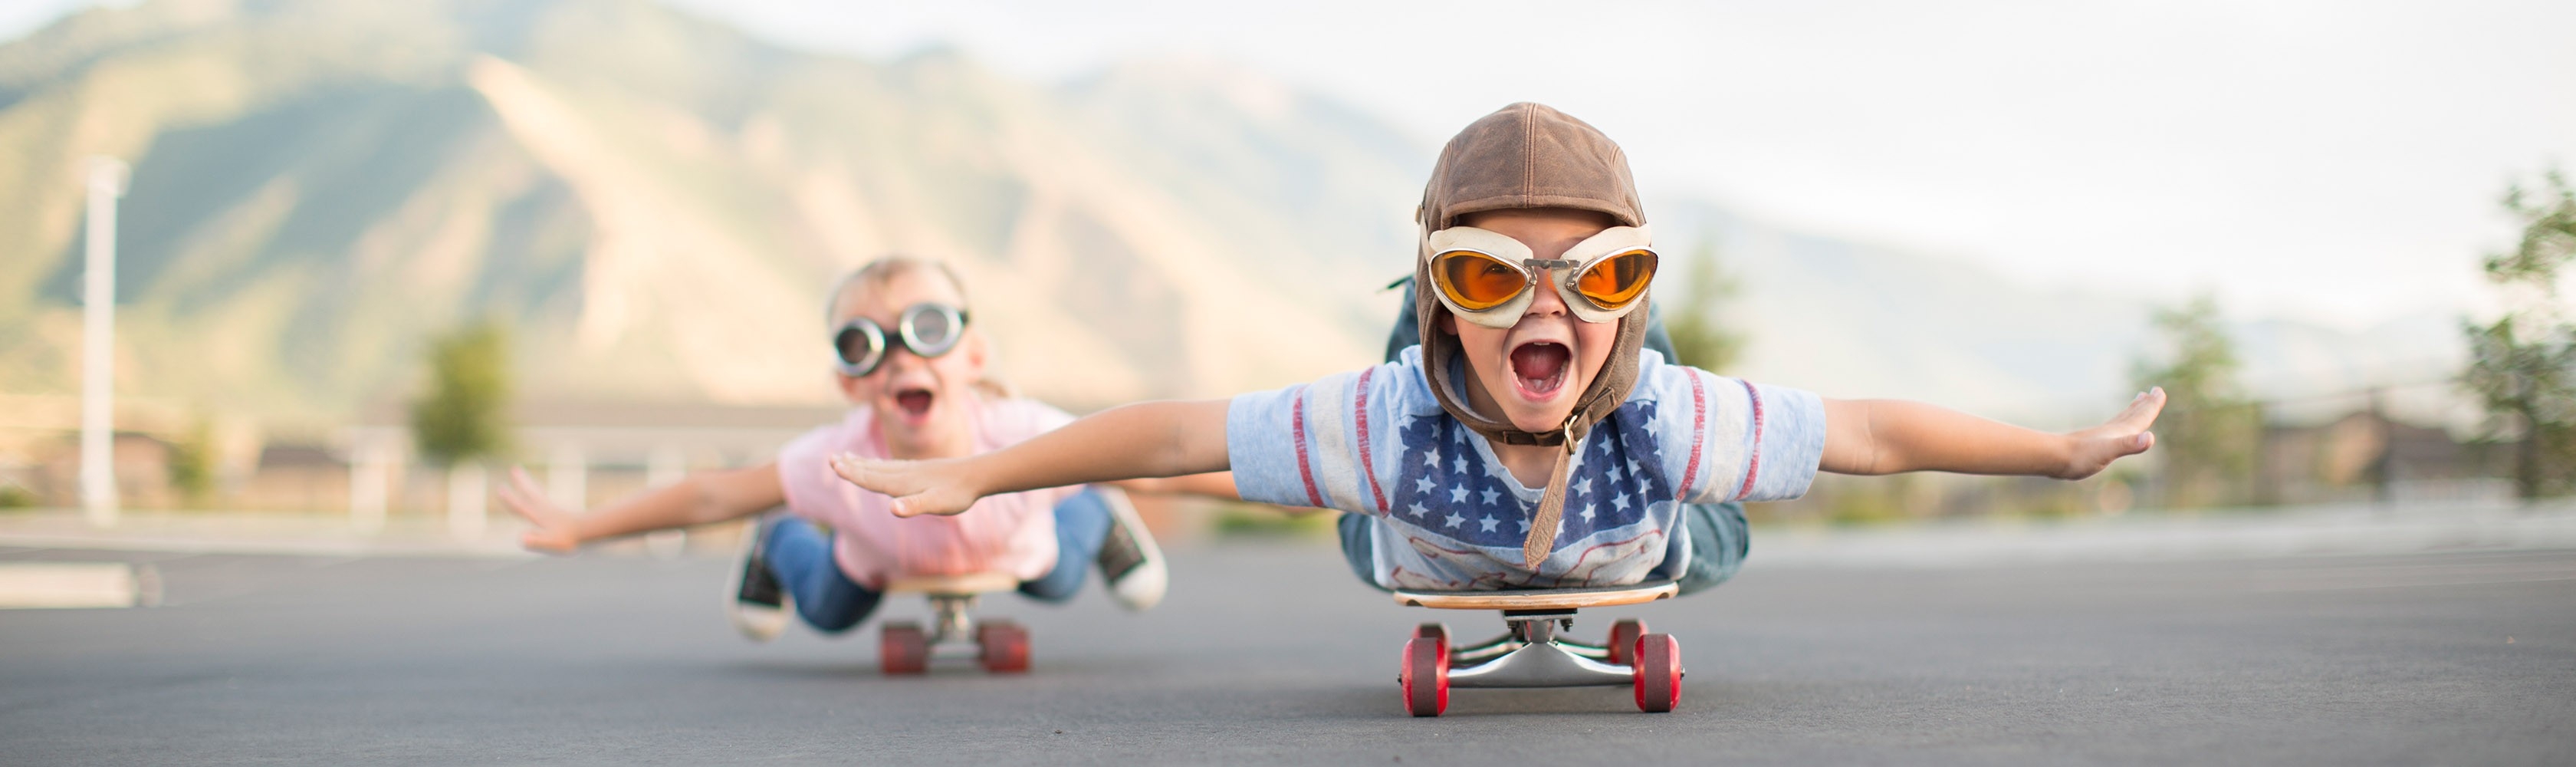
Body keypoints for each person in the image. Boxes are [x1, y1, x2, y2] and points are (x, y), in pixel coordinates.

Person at [830, 103, 2164, 594]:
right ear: (1442, 288)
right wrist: (982, 476)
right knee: (1370, 479)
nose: (1541, 304)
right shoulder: (1379, 422)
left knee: (1706, 506)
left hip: (1636, 526)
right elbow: (1178, 433)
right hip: (1417, 521)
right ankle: (1478, 313)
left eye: (1600, 274)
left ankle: (1597, 324)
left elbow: (1868, 433)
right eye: (1484, 272)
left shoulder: (1673, 425)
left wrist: (2057, 454)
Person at [497, 256, 1231, 639]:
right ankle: (777, 540)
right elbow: (715, 493)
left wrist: (1290, 487)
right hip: (876, 560)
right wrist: (582, 526)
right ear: (849, 381)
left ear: (974, 356)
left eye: (929, 330)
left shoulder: (1021, 432)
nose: (901, 358)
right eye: (864, 345)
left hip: (1014, 549)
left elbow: (1158, 467)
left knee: (1060, 577)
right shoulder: (839, 461)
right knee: (825, 611)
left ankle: (1096, 512)